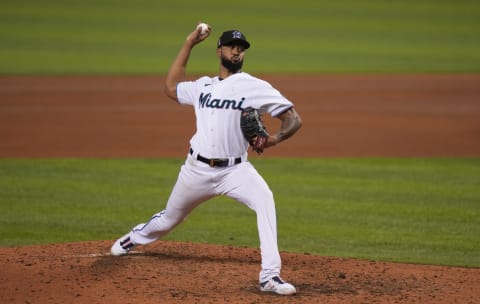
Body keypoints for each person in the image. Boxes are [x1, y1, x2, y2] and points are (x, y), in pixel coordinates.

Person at [111, 23, 302, 296]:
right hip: (196, 170)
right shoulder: (203, 87)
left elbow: (293, 118)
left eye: (241, 48)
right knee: (169, 219)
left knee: (265, 200)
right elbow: (171, 87)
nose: (236, 52)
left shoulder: (255, 86)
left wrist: (274, 139)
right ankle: (135, 237)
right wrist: (189, 43)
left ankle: (270, 276)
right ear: (219, 51)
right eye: (231, 47)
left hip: (236, 171)